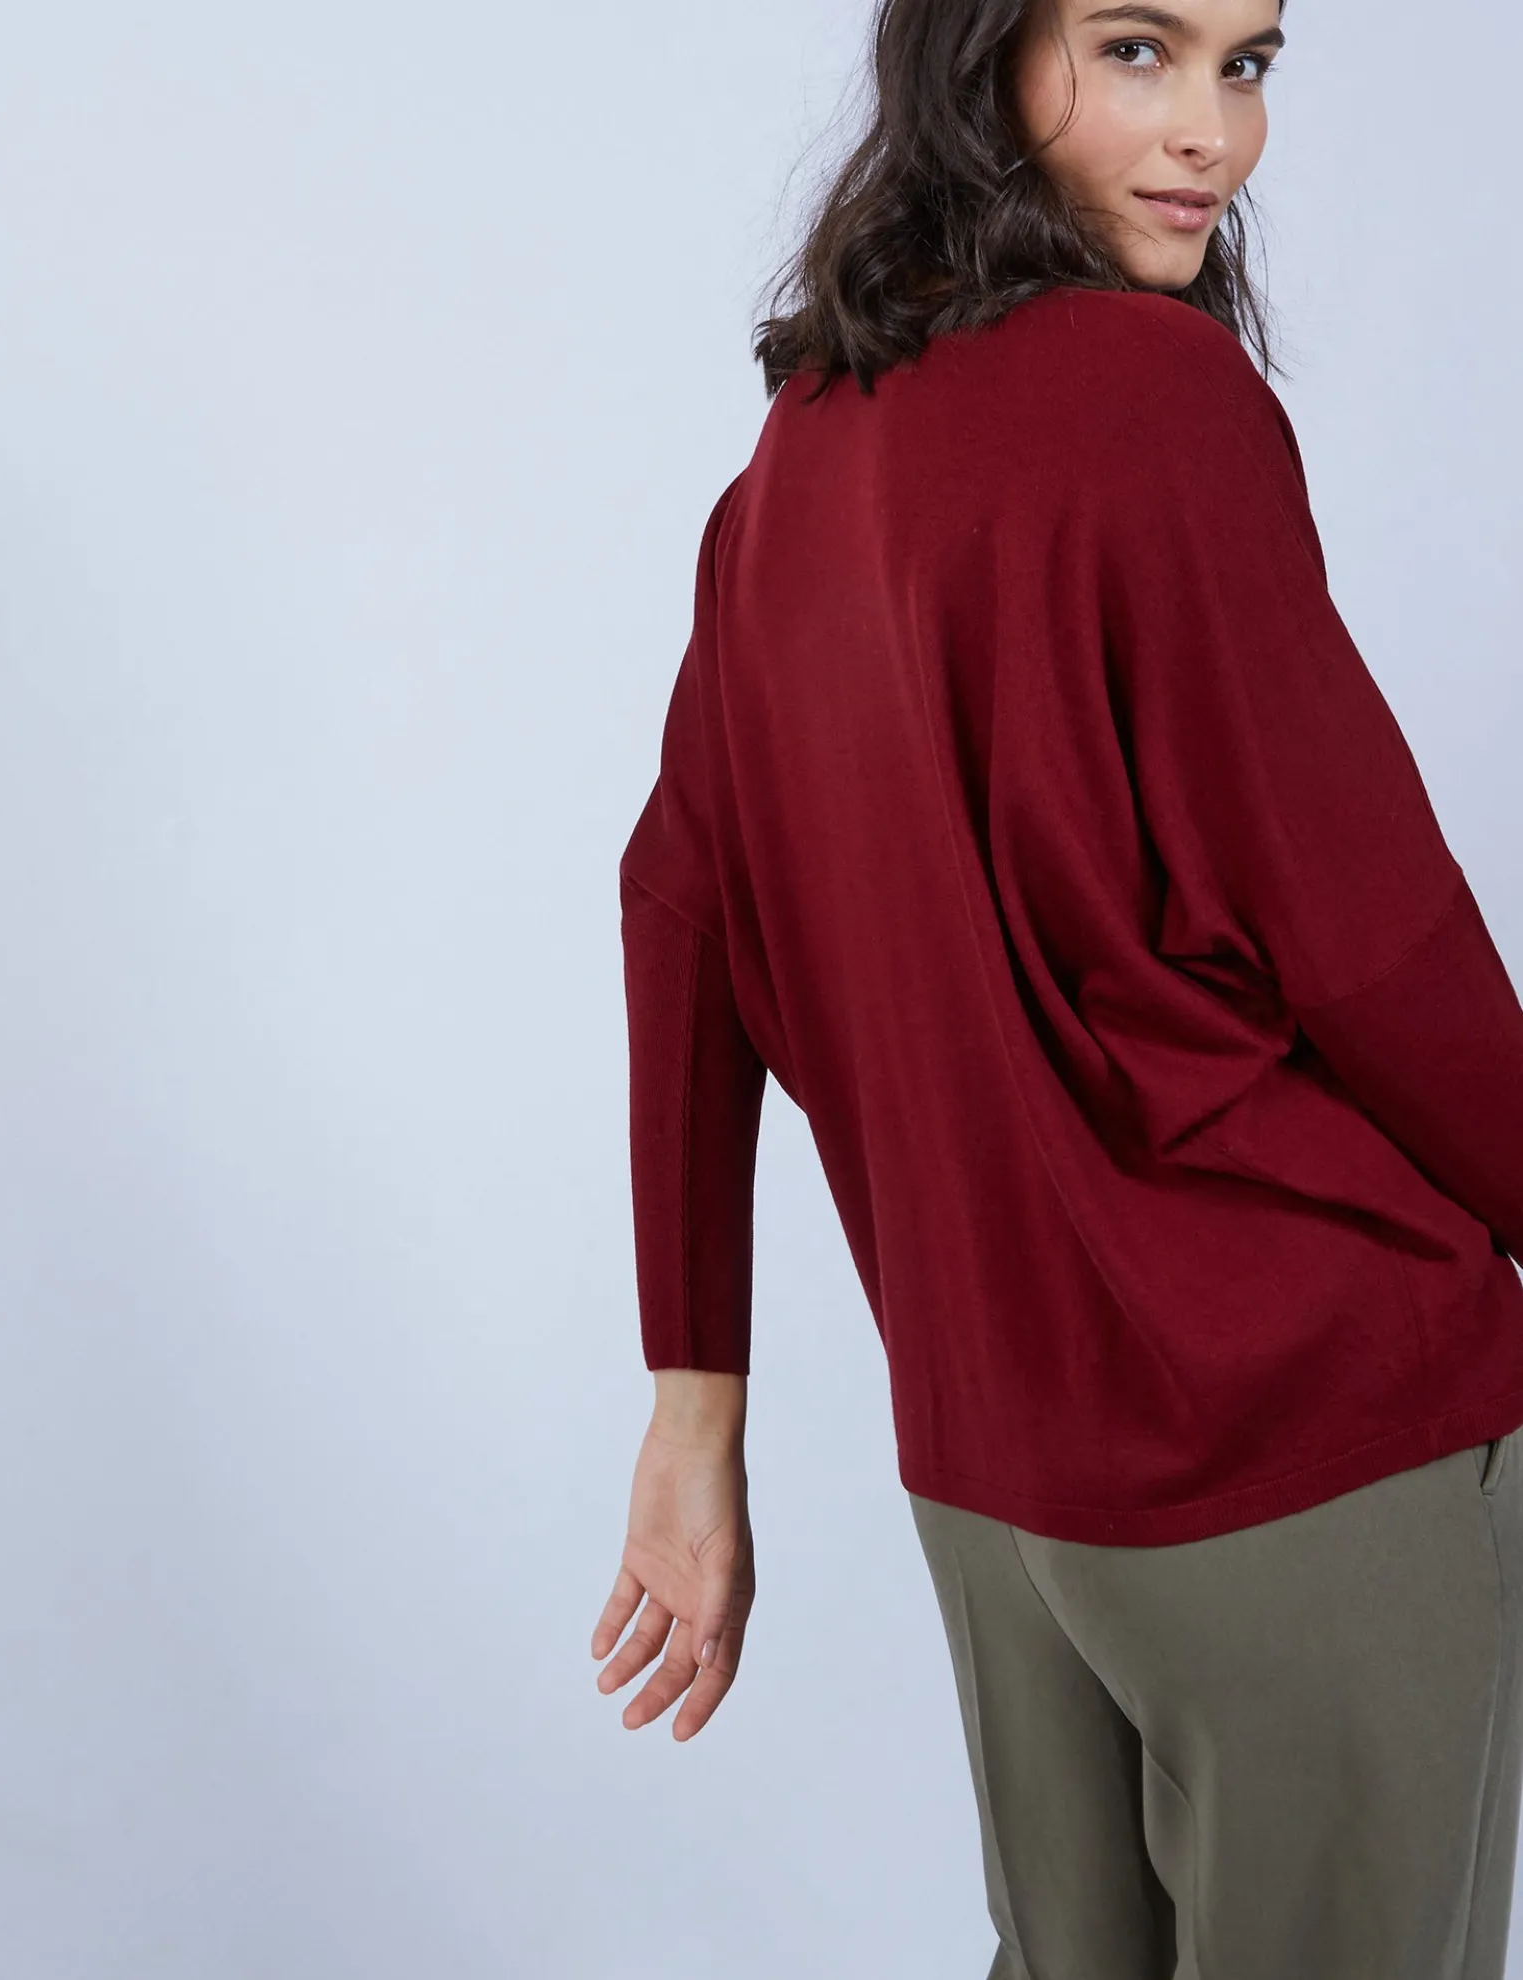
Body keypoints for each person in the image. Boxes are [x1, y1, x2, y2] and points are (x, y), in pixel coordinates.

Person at [588, 0, 1523, 1972]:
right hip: (1300, 1441)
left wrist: (694, 1411)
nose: (1208, 135)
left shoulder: (805, 444)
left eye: (1247, 64)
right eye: (1136, 49)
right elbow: (1368, 934)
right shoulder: (1157, 399)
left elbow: (680, 898)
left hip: (1000, 1484)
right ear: (979, 54)